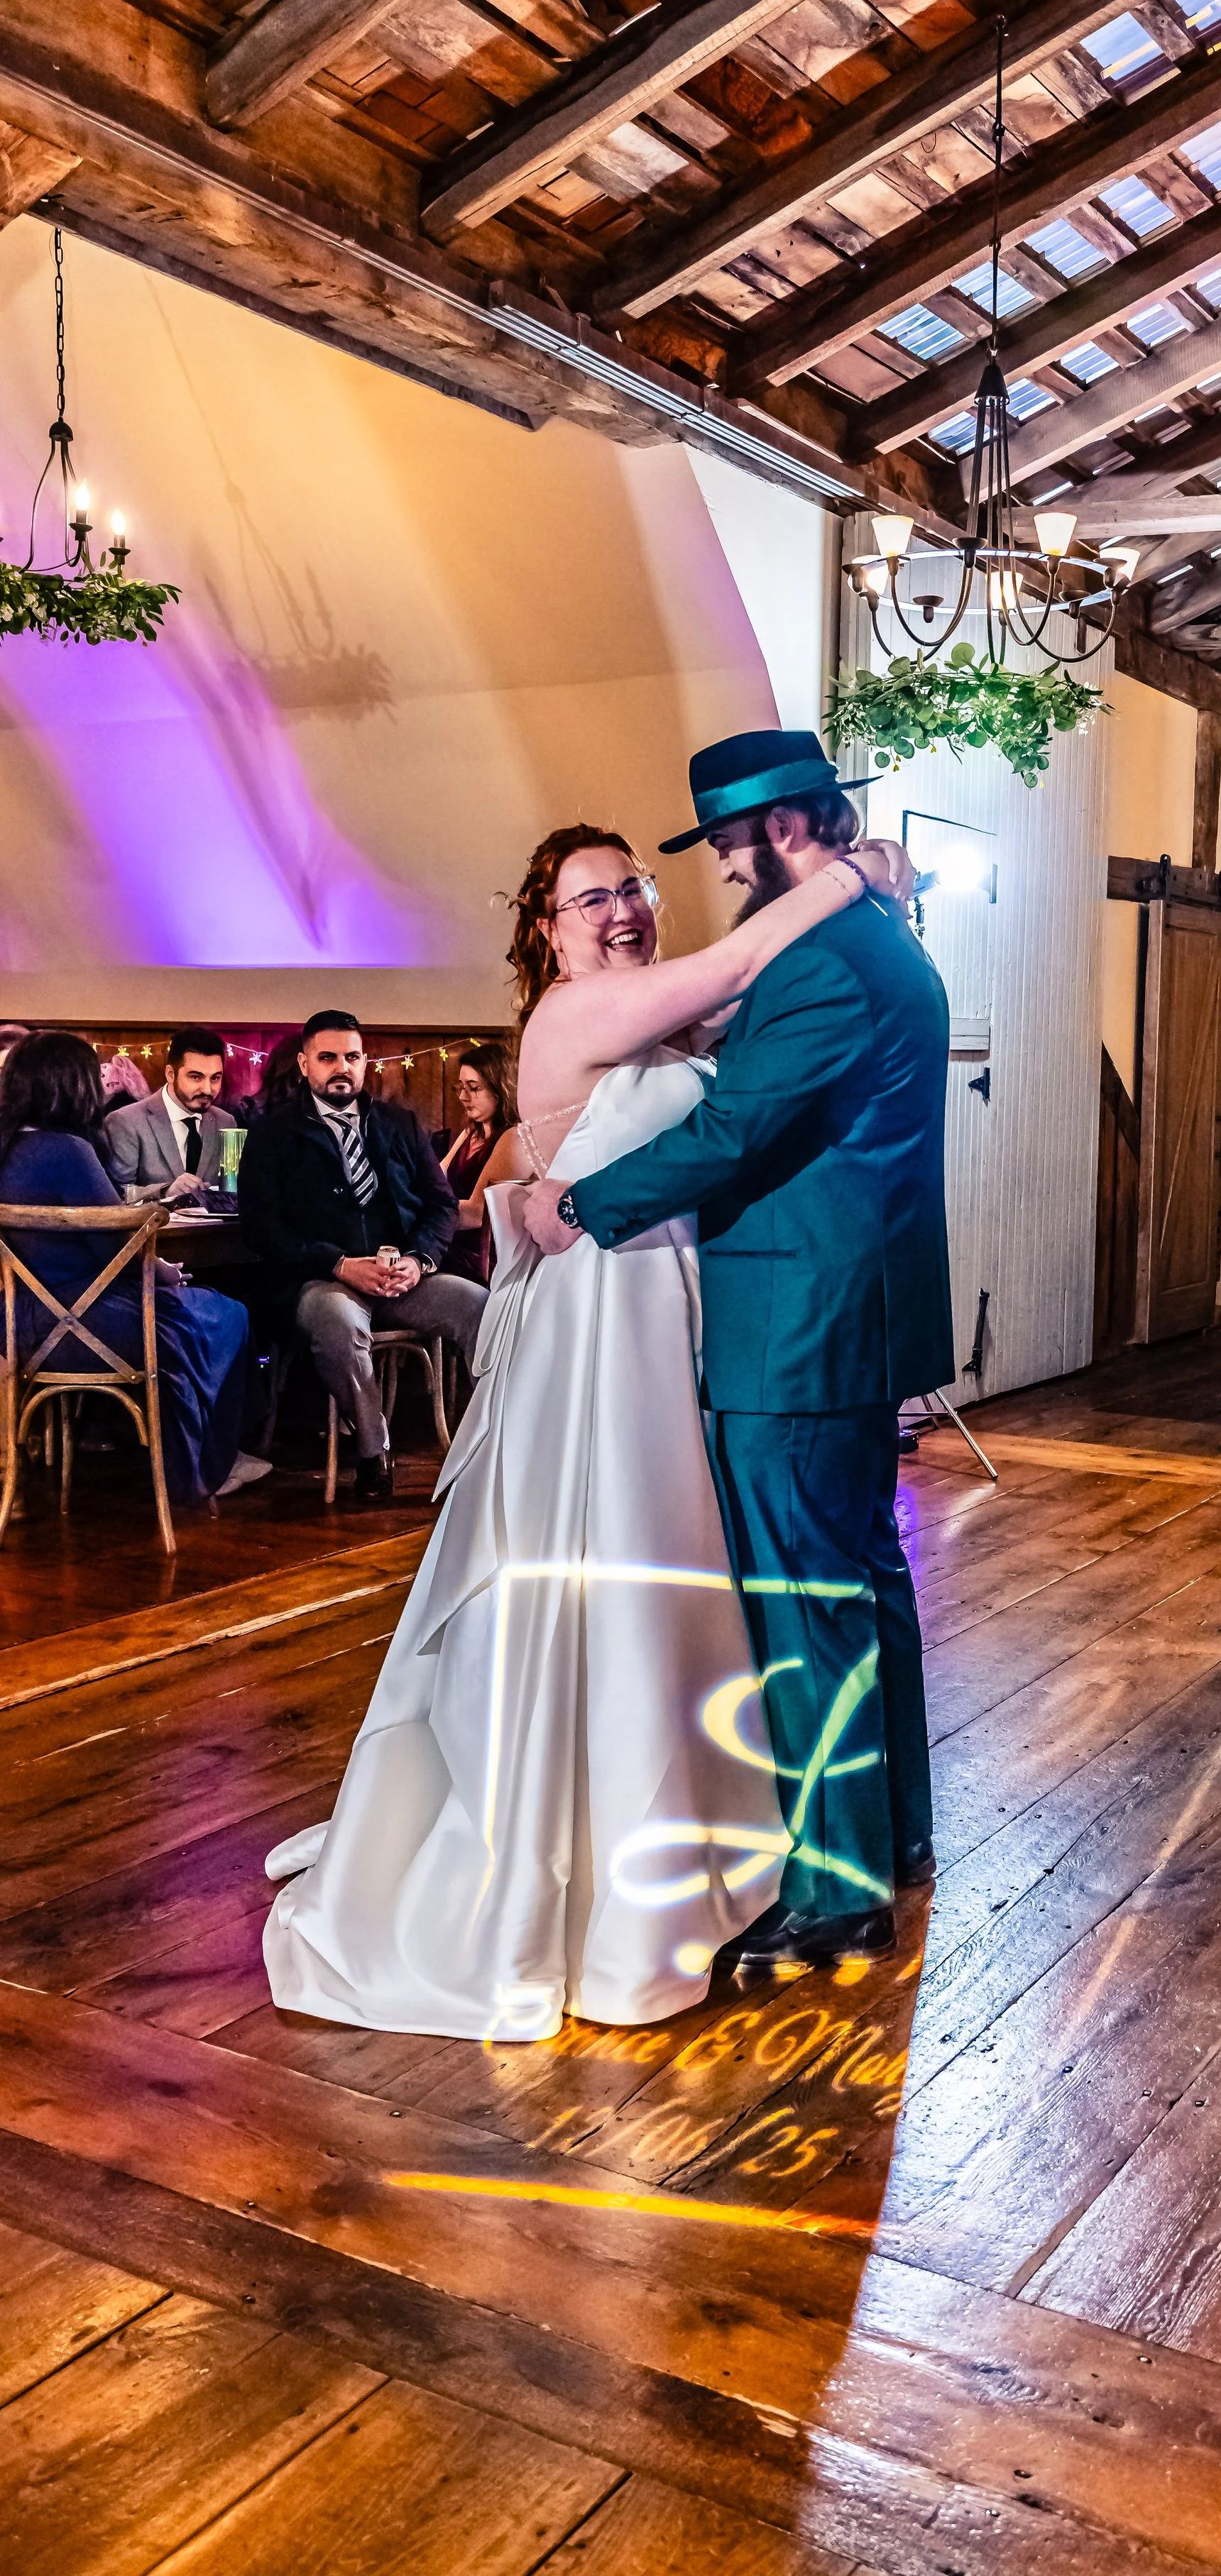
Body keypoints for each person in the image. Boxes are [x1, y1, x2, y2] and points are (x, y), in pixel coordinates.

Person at [261, 817, 907, 2037]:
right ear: (546, 929)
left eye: (636, 890)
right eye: (591, 899)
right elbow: (733, 968)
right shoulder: (568, 1019)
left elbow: (741, 1032)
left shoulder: (658, 1018)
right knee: (606, 1561)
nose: (622, 912)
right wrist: (851, 876)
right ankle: (581, 1871)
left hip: (669, 1323)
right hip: (597, 1335)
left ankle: (702, 1832)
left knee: (676, 1574)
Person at [526, 731, 953, 1978]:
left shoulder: (823, 961)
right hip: (849, 1316)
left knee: (807, 1600)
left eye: (720, 839)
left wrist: (582, 1204)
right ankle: (892, 1837)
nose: (714, 863)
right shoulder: (871, 941)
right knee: (864, 1583)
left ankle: (836, 1893)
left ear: (773, 830)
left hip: (797, 1327)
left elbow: (732, 1131)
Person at [0, 1031, 269, 1504]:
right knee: (227, 1313)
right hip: (81, 1324)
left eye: (215, 1077)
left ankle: (206, 1451)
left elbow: (229, 1190)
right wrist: (164, 1269)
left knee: (196, 1312)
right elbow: (118, 1244)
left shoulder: (7, 1148)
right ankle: (213, 1461)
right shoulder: (80, 1145)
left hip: (17, 1325)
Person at [236, 1011, 486, 1501]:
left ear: (366, 1062)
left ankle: (490, 1442)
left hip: (403, 1278)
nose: (341, 1068)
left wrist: (418, 1261)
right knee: (336, 1318)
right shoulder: (273, 1133)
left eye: (352, 1057)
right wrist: (339, 1264)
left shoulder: (399, 1124)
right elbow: (261, 1228)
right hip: (322, 1280)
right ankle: (375, 1451)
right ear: (306, 1064)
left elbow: (440, 1207)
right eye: (328, 1058)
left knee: (482, 1305)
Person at [99, 1026, 236, 1199]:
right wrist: (165, 1191)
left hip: (216, 1227)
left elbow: (234, 1191)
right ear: (171, 1074)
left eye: (215, 1078)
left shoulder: (226, 1122)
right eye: (196, 1077)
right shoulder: (126, 1121)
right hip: (154, 1226)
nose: (208, 1089)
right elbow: (116, 1195)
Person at [432, 1042, 512, 1282]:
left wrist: (417, 1215)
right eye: (460, 1087)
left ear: (500, 1089)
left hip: (480, 1256)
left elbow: (478, 1213)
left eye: (473, 1088)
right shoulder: (470, 1133)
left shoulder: (513, 1137)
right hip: (450, 1242)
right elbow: (434, 1178)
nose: (463, 1097)